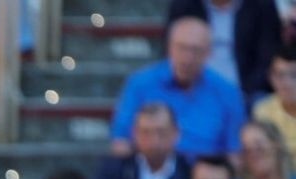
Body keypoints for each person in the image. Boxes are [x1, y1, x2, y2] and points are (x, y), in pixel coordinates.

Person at [110, 17, 244, 159]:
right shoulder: (140, 84)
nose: (187, 58)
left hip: (204, 174)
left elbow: (234, 153)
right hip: (151, 173)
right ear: (169, 47)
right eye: (182, 48)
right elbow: (121, 141)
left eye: (195, 50)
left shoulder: (227, 92)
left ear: (209, 53)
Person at [164, 0, 280, 99]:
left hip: (246, 91)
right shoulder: (184, 5)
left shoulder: (261, 5)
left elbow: (268, 58)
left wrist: (243, 92)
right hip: (192, 88)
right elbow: (173, 50)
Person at [253, 43, 296, 151]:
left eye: (294, 75)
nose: (287, 83)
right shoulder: (263, 111)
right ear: (270, 77)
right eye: (280, 75)